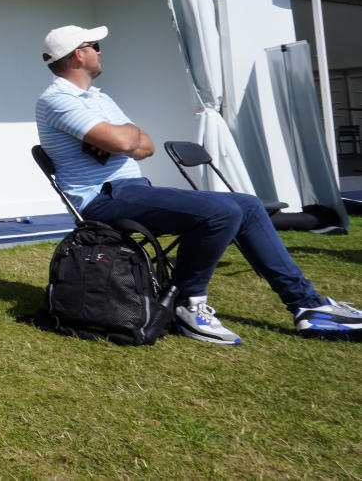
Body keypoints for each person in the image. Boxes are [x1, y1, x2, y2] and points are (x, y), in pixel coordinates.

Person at [35, 23, 362, 345]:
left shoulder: (96, 97)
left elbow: (145, 146)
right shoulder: (57, 99)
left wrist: (120, 136)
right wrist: (121, 136)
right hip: (102, 200)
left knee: (246, 204)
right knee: (219, 212)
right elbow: (127, 142)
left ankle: (306, 303)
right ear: (80, 55)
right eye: (96, 47)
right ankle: (185, 305)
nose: (100, 52)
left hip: (133, 188)